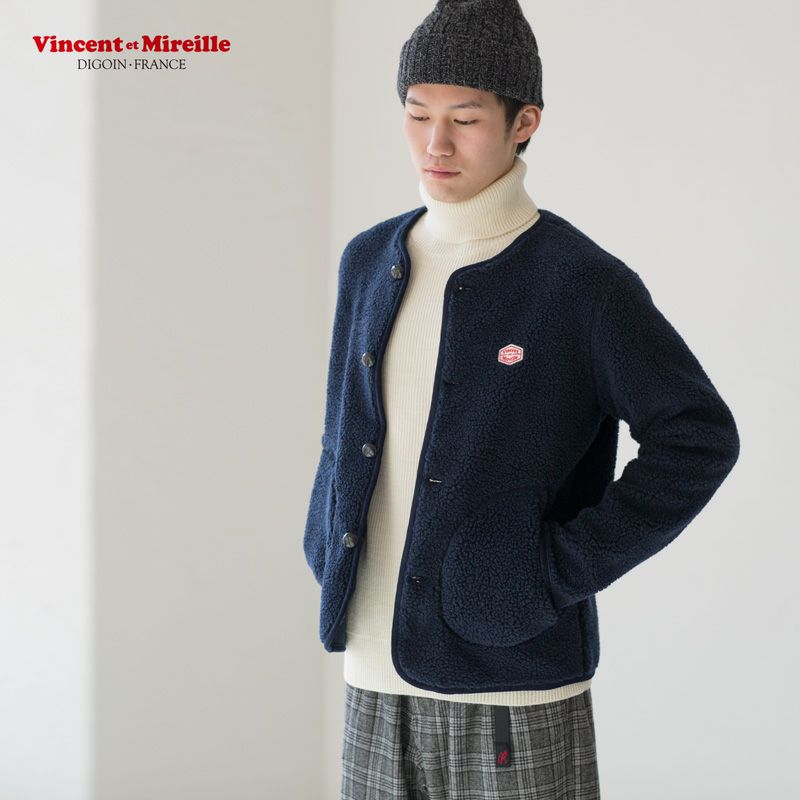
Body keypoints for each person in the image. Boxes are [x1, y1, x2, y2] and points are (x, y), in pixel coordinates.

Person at [302, 1, 741, 797]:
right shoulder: (368, 260)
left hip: (510, 678)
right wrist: (324, 538)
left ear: (524, 122)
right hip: (371, 665)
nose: (435, 143)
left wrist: (550, 572)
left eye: (465, 119)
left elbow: (698, 436)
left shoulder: (580, 284)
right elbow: (346, 429)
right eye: (417, 113)